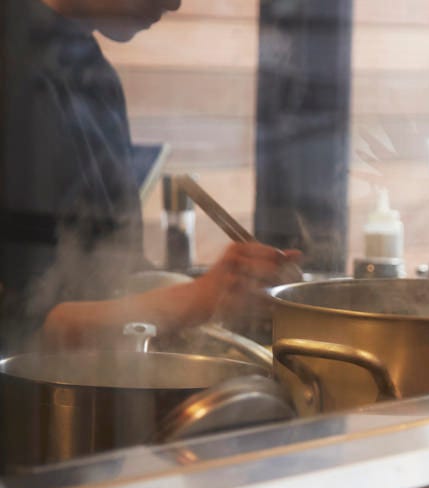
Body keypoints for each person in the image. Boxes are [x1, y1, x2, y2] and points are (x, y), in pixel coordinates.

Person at [0, 0, 298, 352]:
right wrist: (197, 298)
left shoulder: (96, 75)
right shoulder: (12, 63)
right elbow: (19, 326)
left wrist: (226, 288)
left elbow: (112, 271)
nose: (174, 3)